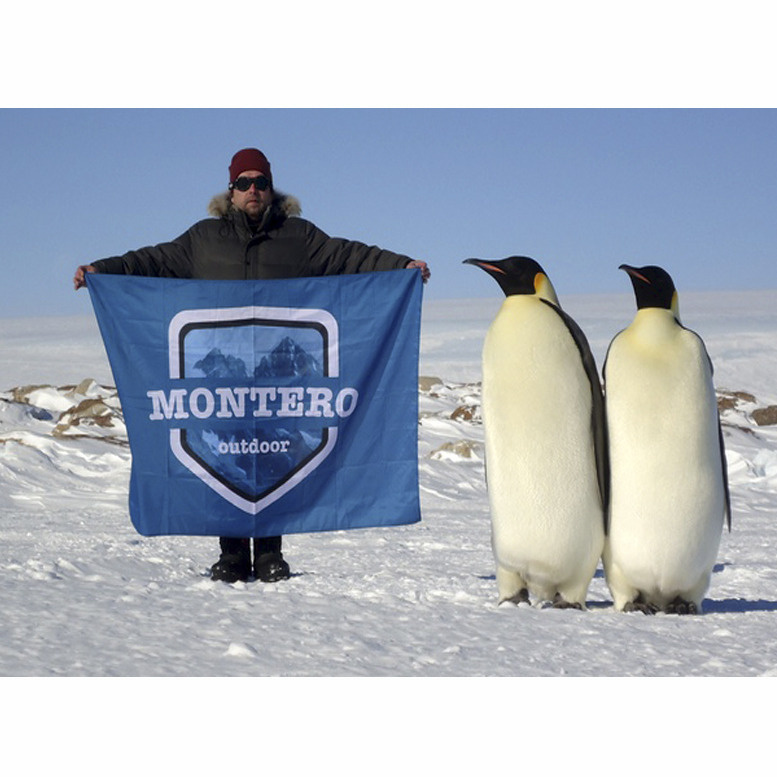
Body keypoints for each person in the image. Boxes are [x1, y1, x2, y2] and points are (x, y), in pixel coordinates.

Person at [74, 147, 430, 585]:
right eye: (244, 183)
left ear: (271, 188)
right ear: (231, 190)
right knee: (227, 460)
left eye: (261, 182)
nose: (253, 190)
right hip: (226, 381)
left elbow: (347, 255)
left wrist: (401, 268)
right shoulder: (203, 240)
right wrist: (103, 271)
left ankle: (268, 555)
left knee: (275, 461)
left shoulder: (298, 237)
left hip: (276, 381)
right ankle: (231, 555)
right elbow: (155, 260)